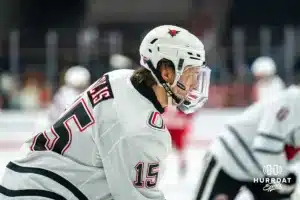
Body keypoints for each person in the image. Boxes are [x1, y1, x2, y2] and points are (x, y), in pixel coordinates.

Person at [0, 25, 211, 200]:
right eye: (190, 73)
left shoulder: (118, 78)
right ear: (166, 72)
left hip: (22, 181)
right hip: (46, 193)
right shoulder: (142, 129)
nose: (194, 84)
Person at [194, 74, 300, 200]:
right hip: (231, 159)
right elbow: (266, 146)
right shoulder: (293, 100)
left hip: (264, 171)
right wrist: (281, 176)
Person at [162, 105, 193, 176]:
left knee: (180, 150)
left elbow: (189, 115)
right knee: (161, 148)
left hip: (177, 126)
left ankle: (182, 165)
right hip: (168, 126)